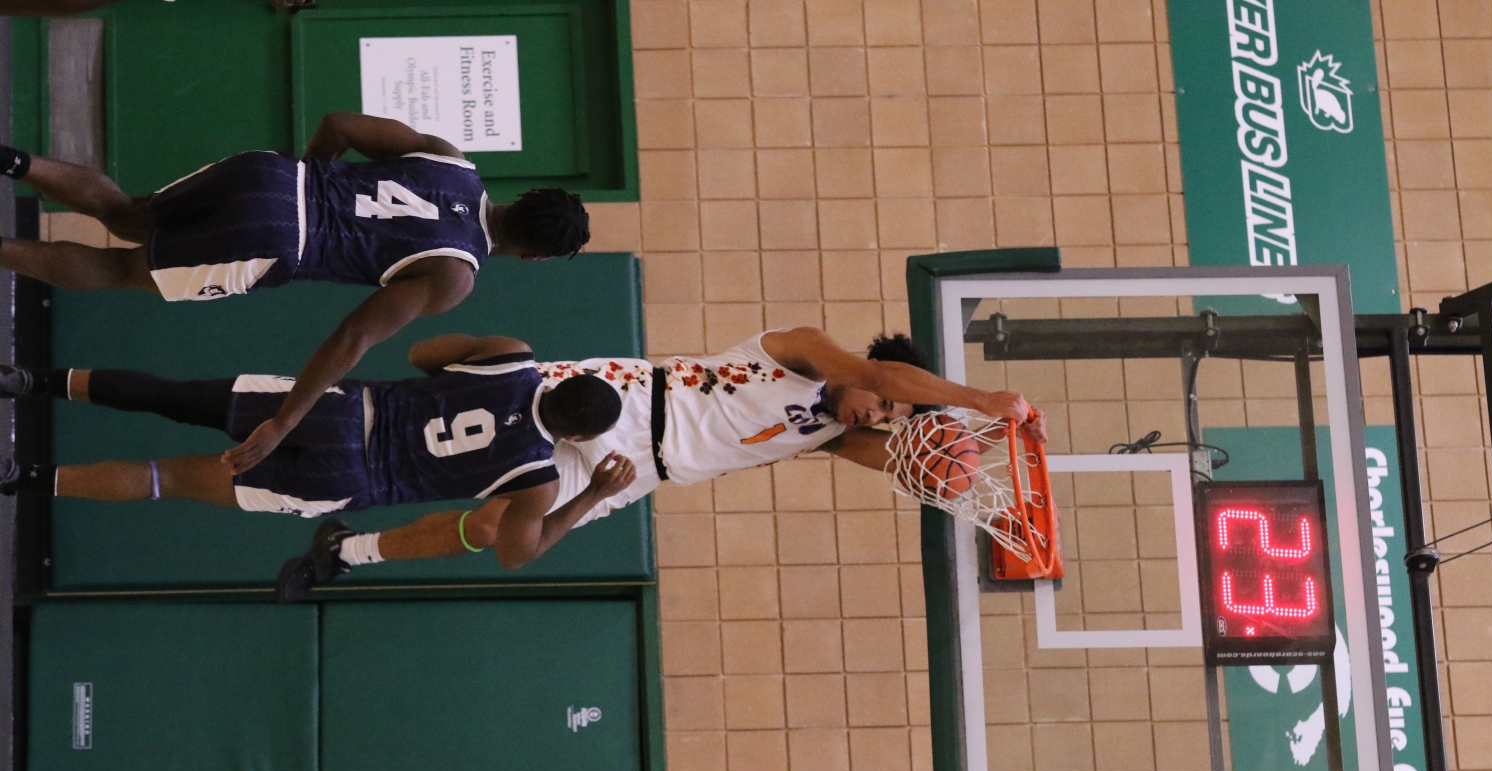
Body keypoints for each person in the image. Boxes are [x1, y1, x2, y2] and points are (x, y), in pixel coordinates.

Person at [0, 112, 590, 474]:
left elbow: (340, 124)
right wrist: (284, 422)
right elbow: (353, 335)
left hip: (273, 176)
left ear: (527, 195)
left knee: (131, 213)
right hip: (273, 241)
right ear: (535, 256)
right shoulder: (455, 275)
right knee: (120, 269)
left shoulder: (452, 162)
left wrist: (306, 183)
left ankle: (15, 160)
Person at [275, 326, 1047, 599]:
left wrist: (998, 491)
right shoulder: (804, 350)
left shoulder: (832, 436)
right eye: (883, 404)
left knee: (496, 527)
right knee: (460, 420)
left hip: (638, 469)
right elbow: (883, 380)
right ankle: (327, 403)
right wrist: (983, 397)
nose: (878, 416)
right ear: (871, 375)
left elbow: (919, 468)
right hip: (615, 401)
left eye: (887, 419)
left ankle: (347, 549)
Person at [0, 334, 636, 591]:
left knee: (166, 393)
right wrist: (590, 498)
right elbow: (515, 554)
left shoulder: (510, 356)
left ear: (561, 382)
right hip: (344, 479)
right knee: (162, 479)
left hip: (332, 411)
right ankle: (19, 477)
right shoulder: (538, 480)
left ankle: (30, 379)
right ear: (576, 437)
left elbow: (422, 351)